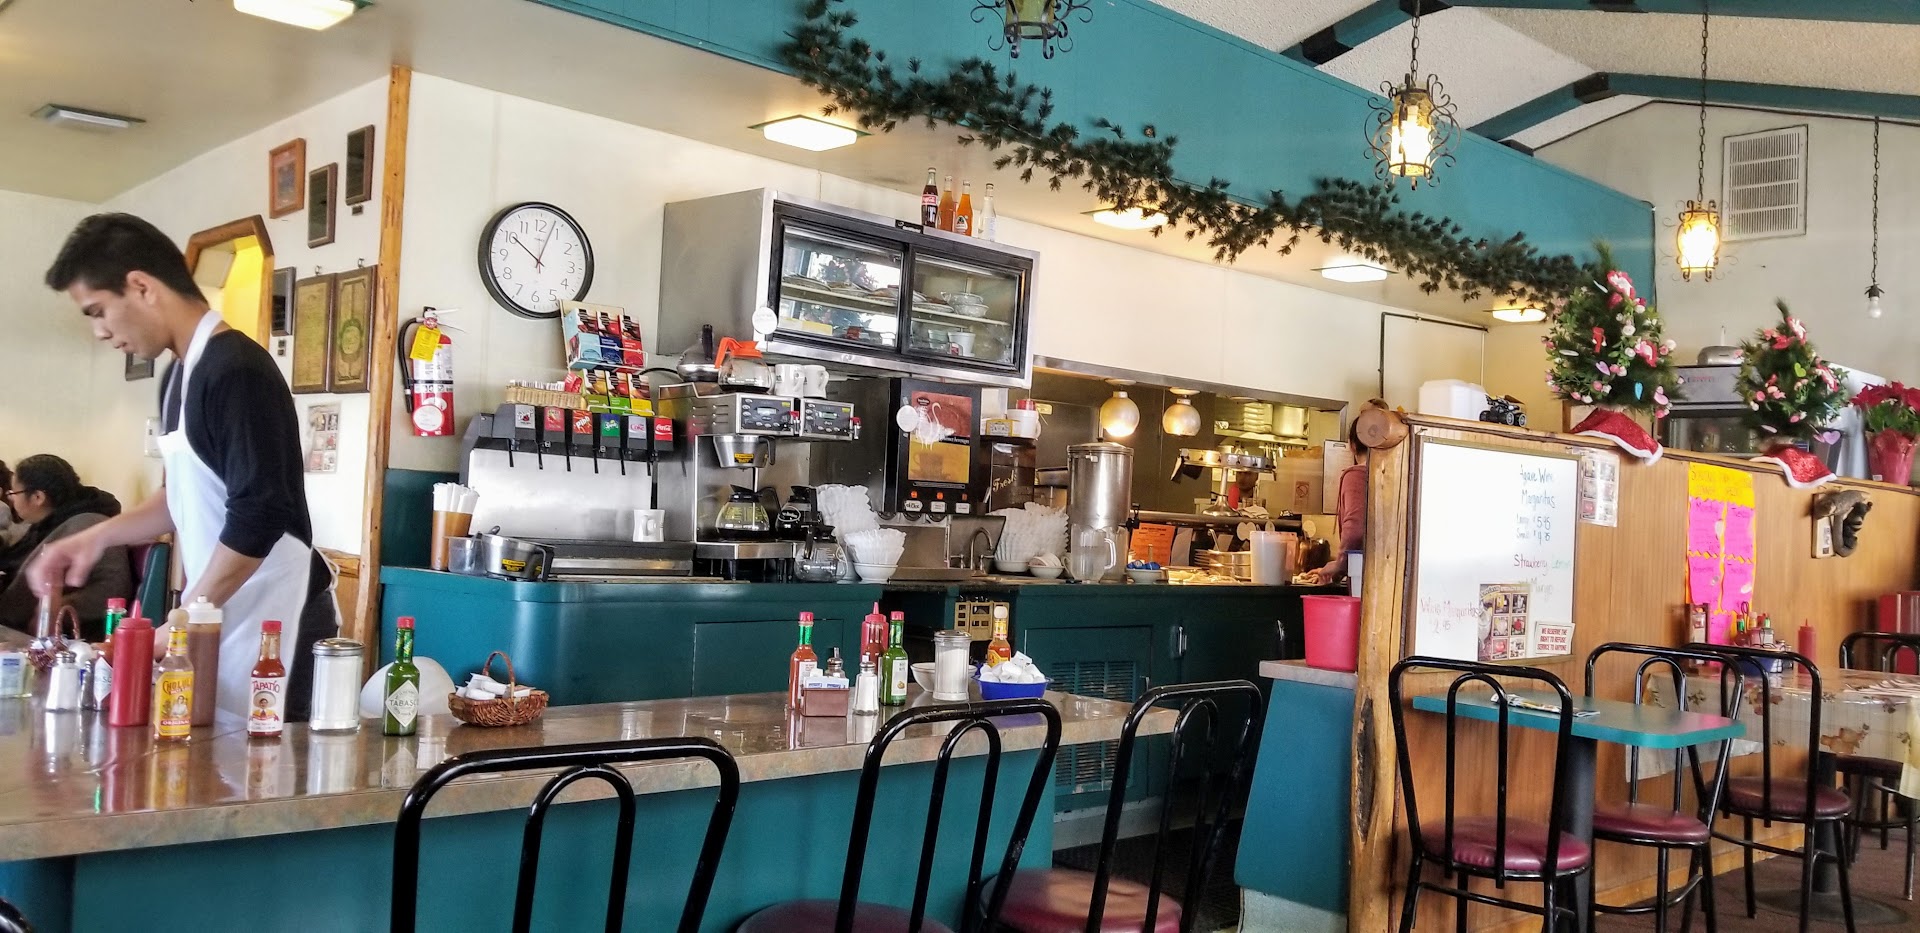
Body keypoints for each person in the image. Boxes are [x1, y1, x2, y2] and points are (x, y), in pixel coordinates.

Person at [32, 213, 338, 719]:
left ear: (141, 286)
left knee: (262, 763)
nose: (99, 332)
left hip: (277, 617)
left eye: (98, 311)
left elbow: (259, 515)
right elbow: (180, 497)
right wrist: (93, 538)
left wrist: (180, 619)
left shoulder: (237, 370)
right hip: (220, 612)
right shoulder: (178, 376)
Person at [0, 455, 133, 639]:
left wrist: (57, 607)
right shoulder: (47, 524)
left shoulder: (88, 523)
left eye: (13, 494)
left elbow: (113, 589)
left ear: (38, 497)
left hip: (66, 638)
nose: (11, 500)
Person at [1310, 401, 1385, 585]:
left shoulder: (1356, 475)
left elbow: (1355, 529)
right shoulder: (1391, 475)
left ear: (1352, 445)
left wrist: (1339, 565)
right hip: (1386, 576)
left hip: (1365, 579)